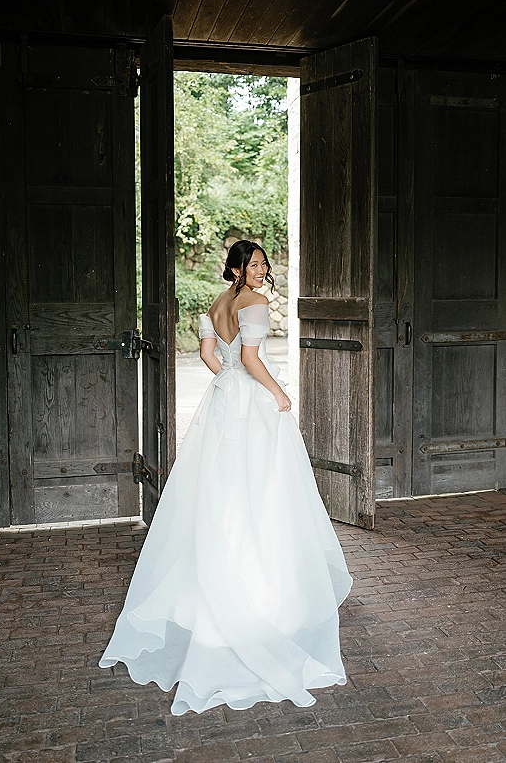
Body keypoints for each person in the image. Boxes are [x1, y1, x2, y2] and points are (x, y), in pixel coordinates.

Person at [99, 240, 352, 715]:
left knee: (221, 489)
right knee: (261, 491)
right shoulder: (254, 303)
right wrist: (279, 395)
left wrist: (230, 378)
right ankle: (258, 591)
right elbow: (253, 360)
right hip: (252, 404)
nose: (261, 272)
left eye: (263, 265)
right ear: (236, 268)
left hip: (223, 402)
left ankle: (216, 577)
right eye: (253, 265)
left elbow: (212, 357)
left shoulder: (218, 304)